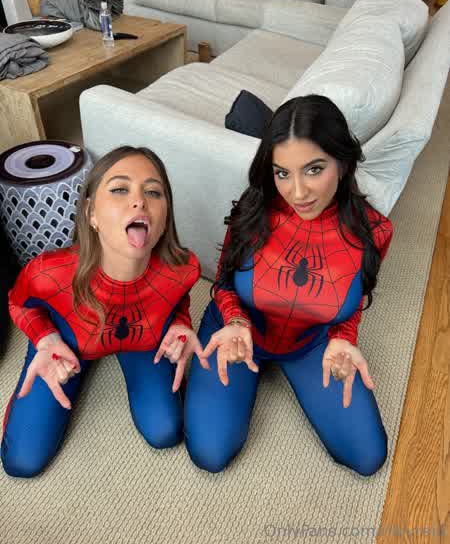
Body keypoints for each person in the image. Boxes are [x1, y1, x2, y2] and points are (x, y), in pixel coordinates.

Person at [185, 95, 393, 476]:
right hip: (237, 331)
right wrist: (235, 321)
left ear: (342, 163)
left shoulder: (374, 231)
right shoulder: (254, 209)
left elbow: (353, 298)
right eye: (283, 173)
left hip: (311, 343)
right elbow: (226, 282)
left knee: (368, 457)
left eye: (314, 169)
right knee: (210, 453)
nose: (298, 192)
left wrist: (343, 338)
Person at [1, 146, 208, 478]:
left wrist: (180, 323)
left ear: (165, 217)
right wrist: (45, 339)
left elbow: (179, 298)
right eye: (120, 189)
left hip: (142, 339)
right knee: (22, 461)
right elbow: (17, 302)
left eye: (153, 192)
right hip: (68, 342)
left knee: (166, 432)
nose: (139, 201)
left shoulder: (184, 268)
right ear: (90, 213)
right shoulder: (47, 273)